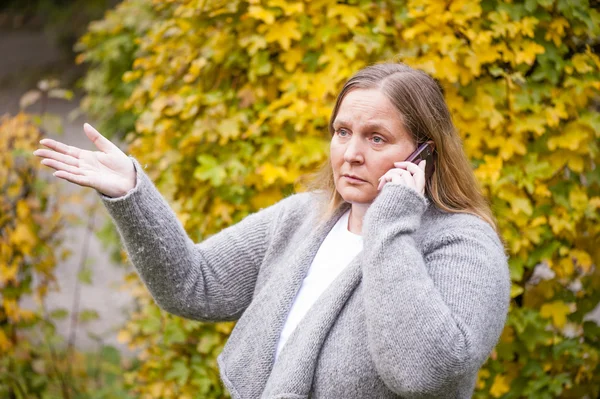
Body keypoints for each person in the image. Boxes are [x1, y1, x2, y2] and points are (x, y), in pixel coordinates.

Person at [33, 63, 510, 398]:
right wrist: (133, 195)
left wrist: (391, 220)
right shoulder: (306, 217)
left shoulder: (463, 245)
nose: (351, 153)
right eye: (342, 132)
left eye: (377, 138)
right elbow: (193, 285)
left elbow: (422, 372)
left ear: (424, 153)